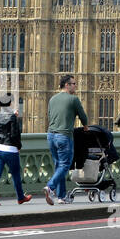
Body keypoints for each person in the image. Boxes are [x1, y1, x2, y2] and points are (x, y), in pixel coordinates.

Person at [44, 74, 88, 205]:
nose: (76, 86)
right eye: (74, 84)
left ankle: (61, 197)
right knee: (64, 165)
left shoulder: (52, 99)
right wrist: (85, 126)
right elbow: (83, 116)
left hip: (51, 135)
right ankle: (50, 187)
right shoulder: (73, 99)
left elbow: (49, 116)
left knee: (59, 165)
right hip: (64, 136)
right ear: (67, 85)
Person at [0, 93, 31, 206]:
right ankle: (20, 197)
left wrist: (13, 116)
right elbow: (14, 134)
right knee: (15, 174)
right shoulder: (12, 116)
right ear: (9, 103)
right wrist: (18, 147)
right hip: (9, 149)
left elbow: (3, 125)